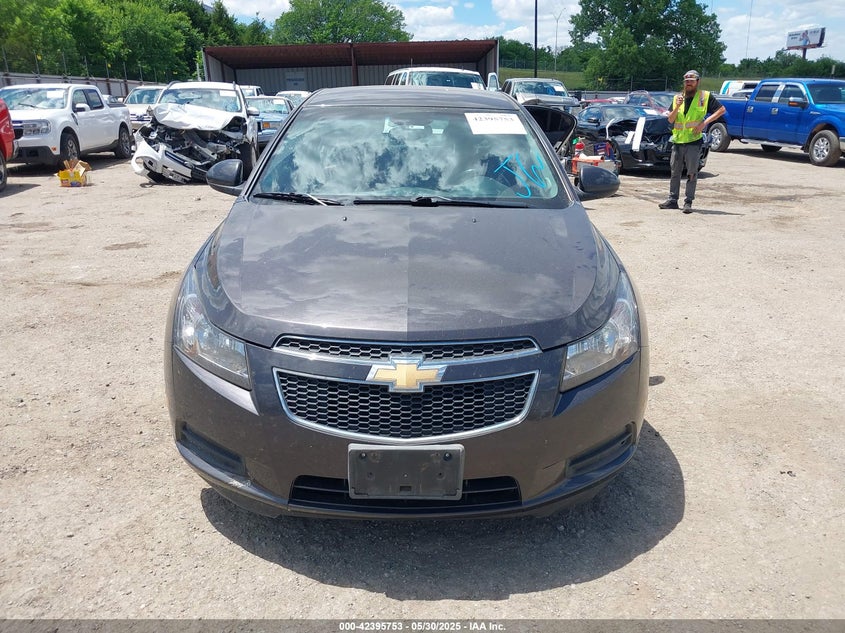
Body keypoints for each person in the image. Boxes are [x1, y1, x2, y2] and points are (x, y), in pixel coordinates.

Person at [659, 70, 726, 213]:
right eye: (686, 81)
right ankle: (672, 200)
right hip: (678, 141)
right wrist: (677, 106)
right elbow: (670, 119)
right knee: (675, 172)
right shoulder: (677, 98)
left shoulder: (704, 96)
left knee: (691, 173)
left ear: (697, 82)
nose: (688, 83)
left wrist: (705, 123)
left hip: (693, 142)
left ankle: (688, 202)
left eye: (691, 81)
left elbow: (721, 110)